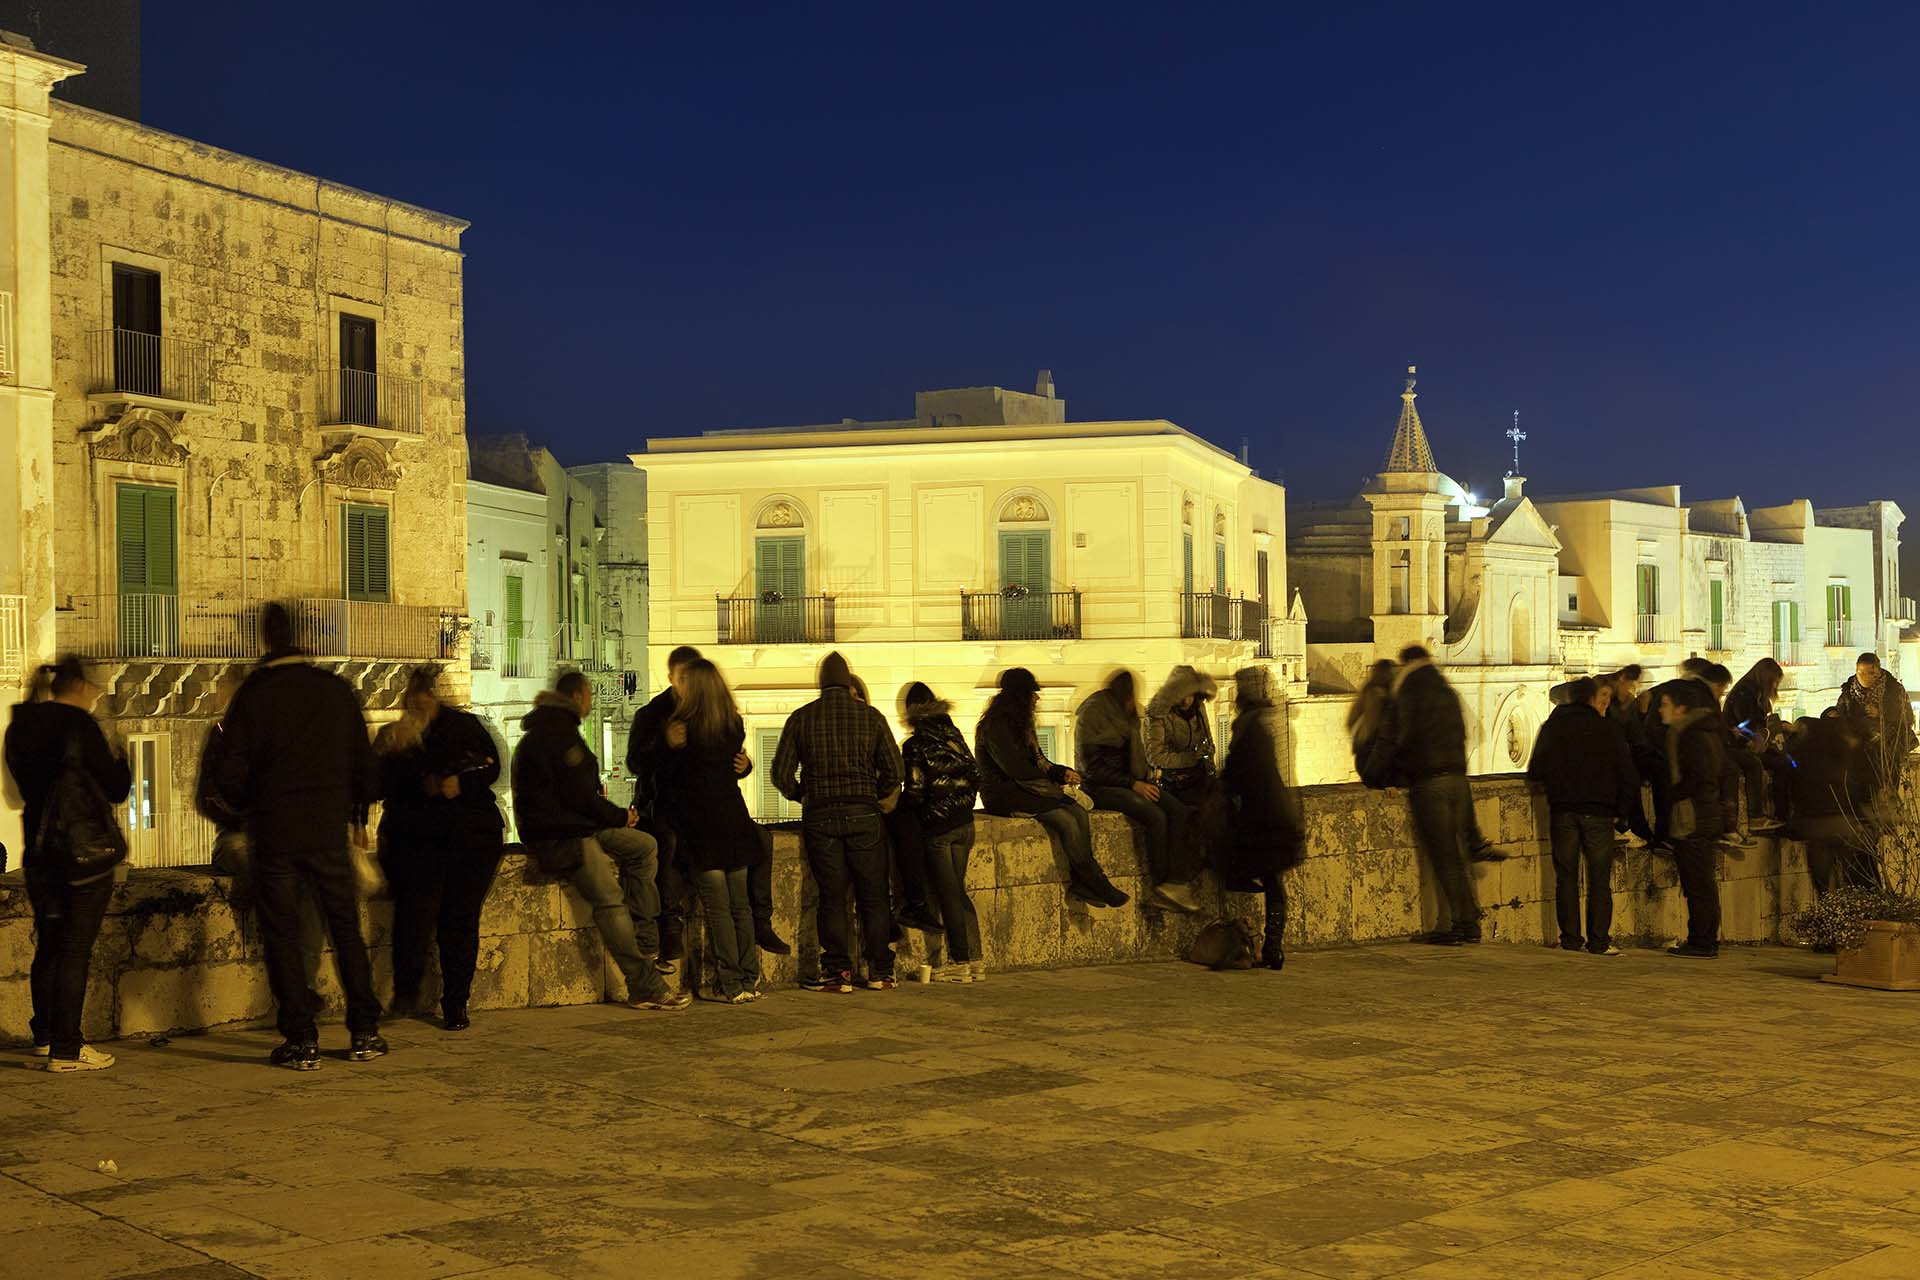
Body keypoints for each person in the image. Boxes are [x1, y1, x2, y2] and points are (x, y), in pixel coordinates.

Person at [210, 604, 387, 1069]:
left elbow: (229, 774)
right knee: (345, 928)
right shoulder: (334, 691)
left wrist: (255, 805)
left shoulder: (254, 695)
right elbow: (366, 771)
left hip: (277, 831)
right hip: (327, 830)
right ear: (301, 637)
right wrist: (354, 815)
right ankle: (365, 1031)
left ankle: (301, 1038)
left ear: (265, 639)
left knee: (283, 933)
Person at [514, 671, 690, 1012]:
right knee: (610, 900)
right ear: (579, 697)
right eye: (589, 697)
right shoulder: (559, 736)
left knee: (644, 847)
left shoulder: (552, 731)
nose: (591, 703)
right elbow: (581, 795)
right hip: (563, 834)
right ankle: (645, 985)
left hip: (576, 824)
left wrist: (617, 819)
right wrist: (618, 816)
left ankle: (645, 939)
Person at [5, 657, 131, 1072]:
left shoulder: (20, 726)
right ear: (76, 684)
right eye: (91, 686)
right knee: (75, 948)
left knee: (50, 944)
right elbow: (115, 789)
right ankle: (67, 1047)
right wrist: (122, 758)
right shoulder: (79, 726)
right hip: (83, 856)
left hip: (40, 853)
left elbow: (19, 790)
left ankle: (44, 1036)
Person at [628, 646, 787, 963]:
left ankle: (759, 927)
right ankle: (671, 925)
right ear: (672, 678)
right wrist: (665, 744)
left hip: (709, 817)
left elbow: (719, 769)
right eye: (682, 678)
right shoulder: (655, 716)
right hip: (671, 808)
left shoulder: (712, 722)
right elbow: (639, 764)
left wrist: (745, 766)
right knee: (670, 845)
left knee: (758, 849)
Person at [374, 665, 505, 1031]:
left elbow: (491, 768)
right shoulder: (397, 737)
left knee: (459, 920)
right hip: (421, 842)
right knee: (416, 916)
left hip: (468, 839)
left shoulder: (463, 728)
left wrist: (460, 784)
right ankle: (408, 993)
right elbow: (379, 785)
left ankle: (455, 1002)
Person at [772, 652, 905, 992]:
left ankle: (837, 972)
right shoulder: (870, 716)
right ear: (848, 683)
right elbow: (895, 771)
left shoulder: (802, 718)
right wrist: (872, 795)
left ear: (820, 683)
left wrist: (802, 793)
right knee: (874, 895)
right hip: (864, 814)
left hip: (821, 816)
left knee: (832, 896)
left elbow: (780, 774)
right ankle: (879, 971)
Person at [198, 668, 327, 992]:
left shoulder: (279, 737)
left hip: (282, 835)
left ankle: (304, 982)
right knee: (255, 861)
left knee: (309, 879)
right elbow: (209, 797)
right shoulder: (222, 736)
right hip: (241, 835)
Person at [977, 667, 1128, 909]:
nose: (1036, 699)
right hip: (1005, 793)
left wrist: (1061, 772)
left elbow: (1039, 761)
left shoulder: (1022, 726)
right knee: (1064, 819)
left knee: (1078, 811)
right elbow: (1016, 769)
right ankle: (1096, 881)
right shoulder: (996, 727)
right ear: (1020, 697)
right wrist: (1053, 786)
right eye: (1032, 694)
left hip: (1027, 789)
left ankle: (1083, 881)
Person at [658, 659, 763, 1003]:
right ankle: (749, 978)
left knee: (718, 909)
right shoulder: (732, 725)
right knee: (741, 907)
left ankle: (730, 983)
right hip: (733, 819)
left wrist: (668, 750)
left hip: (702, 827)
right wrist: (746, 767)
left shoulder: (683, 730)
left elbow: (673, 781)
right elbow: (731, 768)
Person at [1363, 647, 1481, 944]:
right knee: (1458, 856)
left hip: (1430, 783)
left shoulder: (1407, 695)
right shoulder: (1447, 692)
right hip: (1458, 779)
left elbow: (1390, 741)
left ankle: (1458, 926)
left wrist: (1375, 776)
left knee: (1445, 859)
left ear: (1408, 664)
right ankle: (1470, 925)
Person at [1527, 677, 1638, 956]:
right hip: (1599, 813)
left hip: (1563, 810)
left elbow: (1536, 770)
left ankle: (1571, 939)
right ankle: (1598, 941)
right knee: (1599, 880)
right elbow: (1627, 774)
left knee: (1566, 877)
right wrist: (1623, 815)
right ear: (1591, 699)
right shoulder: (1608, 729)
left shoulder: (1552, 727)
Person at [1077, 671, 1201, 914]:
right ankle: (1160, 885)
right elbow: (1092, 768)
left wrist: (1142, 780)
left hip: (1131, 781)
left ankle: (1175, 882)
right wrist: (1133, 784)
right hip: (1102, 787)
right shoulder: (1094, 714)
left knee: (1178, 811)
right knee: (1155, 817)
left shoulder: (1125, 715)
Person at [1218, 668, 1305, 970]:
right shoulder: (1262, 726)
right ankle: (1274, 947)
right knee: (1273, 880)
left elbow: (1239, 772)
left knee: (1259, 874)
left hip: (1262, 817)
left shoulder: (1247, 728)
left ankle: (1272, 946)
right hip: (1275, 812)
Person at [900, 682, 985, 982]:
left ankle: (959, 962)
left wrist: (914, 809)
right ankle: (976, 960)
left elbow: (915, 790)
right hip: (965, 824)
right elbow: (975, 774)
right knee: (958, 892)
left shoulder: (915, 745)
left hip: (939, 829)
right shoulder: (954, 736)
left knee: (947, 894)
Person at [1660, 683, 1726, 959]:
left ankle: (1702, 940)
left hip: (1694, 815)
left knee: (1697, 881)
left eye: (1665, 704)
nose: (1661, 710)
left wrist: (1674, 793)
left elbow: (1694, 776)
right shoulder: (1707, 732)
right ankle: (1705, 937)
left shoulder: (1689, 735)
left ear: (1680, 708)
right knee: (1703, 881)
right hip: (1707, 812)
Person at [1788, 715, 1881, 901]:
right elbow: (1855, 791)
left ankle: (1830, 915)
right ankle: (1853, 917)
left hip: (1815, 826)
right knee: (1854, 882)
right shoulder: (1845, 756)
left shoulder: (1805, 756)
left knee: (1823, 887)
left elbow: (1795, 788)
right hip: (1844, 824)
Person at [1144, 667, 1220, 841]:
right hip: (1170, 781)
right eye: (1182, 694)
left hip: (1197, 776)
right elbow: (1155, 756)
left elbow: (1207, 739)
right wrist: (1191, 758)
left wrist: (1208, 759)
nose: (1187, 700)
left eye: (1191, 694)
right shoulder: (1158, 714)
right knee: (1190, 817)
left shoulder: (1198, 709)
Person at [1724, 658, 1789, 834]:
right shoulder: (1746, 693)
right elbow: (1746, 724)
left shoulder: (1753, 692)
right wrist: (1758, 737)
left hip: (1746, 743)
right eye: (1775, 682)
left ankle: (1781, 814)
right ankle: (1757, 816)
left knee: (1784, 763)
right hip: (1736, 745)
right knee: (1757, 765)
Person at [1835, 653, 1917, 781]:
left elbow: (1908, 718)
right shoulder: (1849, 692)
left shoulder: (1894, 690)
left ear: (1878, 671)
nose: (1866, 677)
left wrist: (1881, 714)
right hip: (1858, 752)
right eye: (1861, 672)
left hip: (1887, 752)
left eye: (1871, 672)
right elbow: (1841, 714)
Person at [1349, 660, 1398, 784]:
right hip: (1375, 757)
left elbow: (1351, 721)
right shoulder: (1382, 695)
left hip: (1364, 754)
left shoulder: (1366, 692)